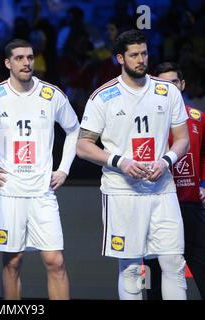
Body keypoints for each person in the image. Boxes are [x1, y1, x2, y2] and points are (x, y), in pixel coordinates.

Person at [76, 30, 190, 300]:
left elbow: (182, 139)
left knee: (174, 264)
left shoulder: (167, 91)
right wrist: (121, 162)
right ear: (120, 58)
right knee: (131, 269)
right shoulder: (103, 96)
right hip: (122, 191)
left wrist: (166, 161)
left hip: (162, 189)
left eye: (144, 53)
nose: (141, 59)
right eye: (134, 55)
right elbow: (82, 146)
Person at [0, 39, 80, 300]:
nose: (26, 63)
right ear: (8, 63)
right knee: (13, 262)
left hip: (42, 192)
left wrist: (63, 169)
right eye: (19, 58)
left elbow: (74, 130)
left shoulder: (51, 95)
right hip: (8, 192)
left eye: (29, 57)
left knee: (55, 261)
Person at [144, 62, 205, 300]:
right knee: (154, 275)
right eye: (163, 84)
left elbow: (202, 157)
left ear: (182, 85)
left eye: (174, 83)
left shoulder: (199, 118)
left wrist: (203, 185)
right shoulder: (145, 120)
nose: (169, 88)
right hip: (156, 206)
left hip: (190, 206)